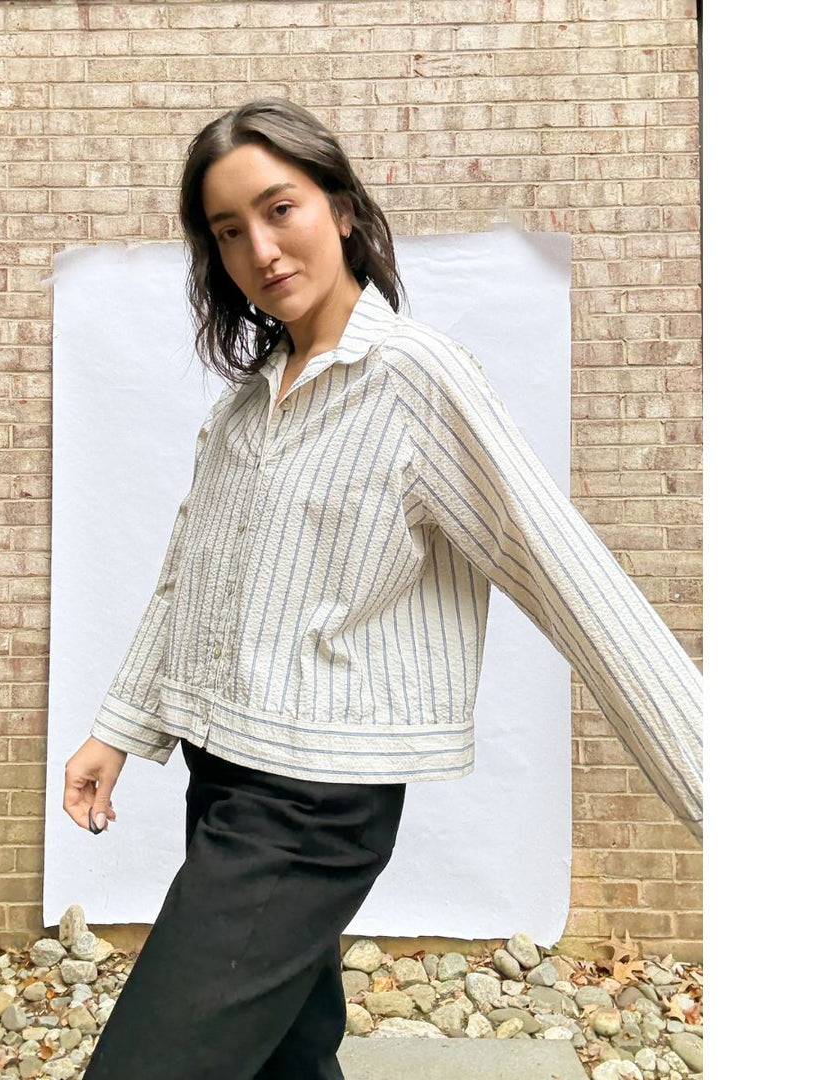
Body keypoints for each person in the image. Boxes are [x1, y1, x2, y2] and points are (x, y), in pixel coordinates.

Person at [63, 97, 703, 1079]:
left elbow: (569, 574)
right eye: (229, 232)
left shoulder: (416, 380)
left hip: (313, 798)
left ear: (343, 209)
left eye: (280, 209)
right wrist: (119, 726)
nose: (261, 250)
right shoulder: (250, 402)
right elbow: (189, 576)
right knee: (286, 1056)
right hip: (226, 767)